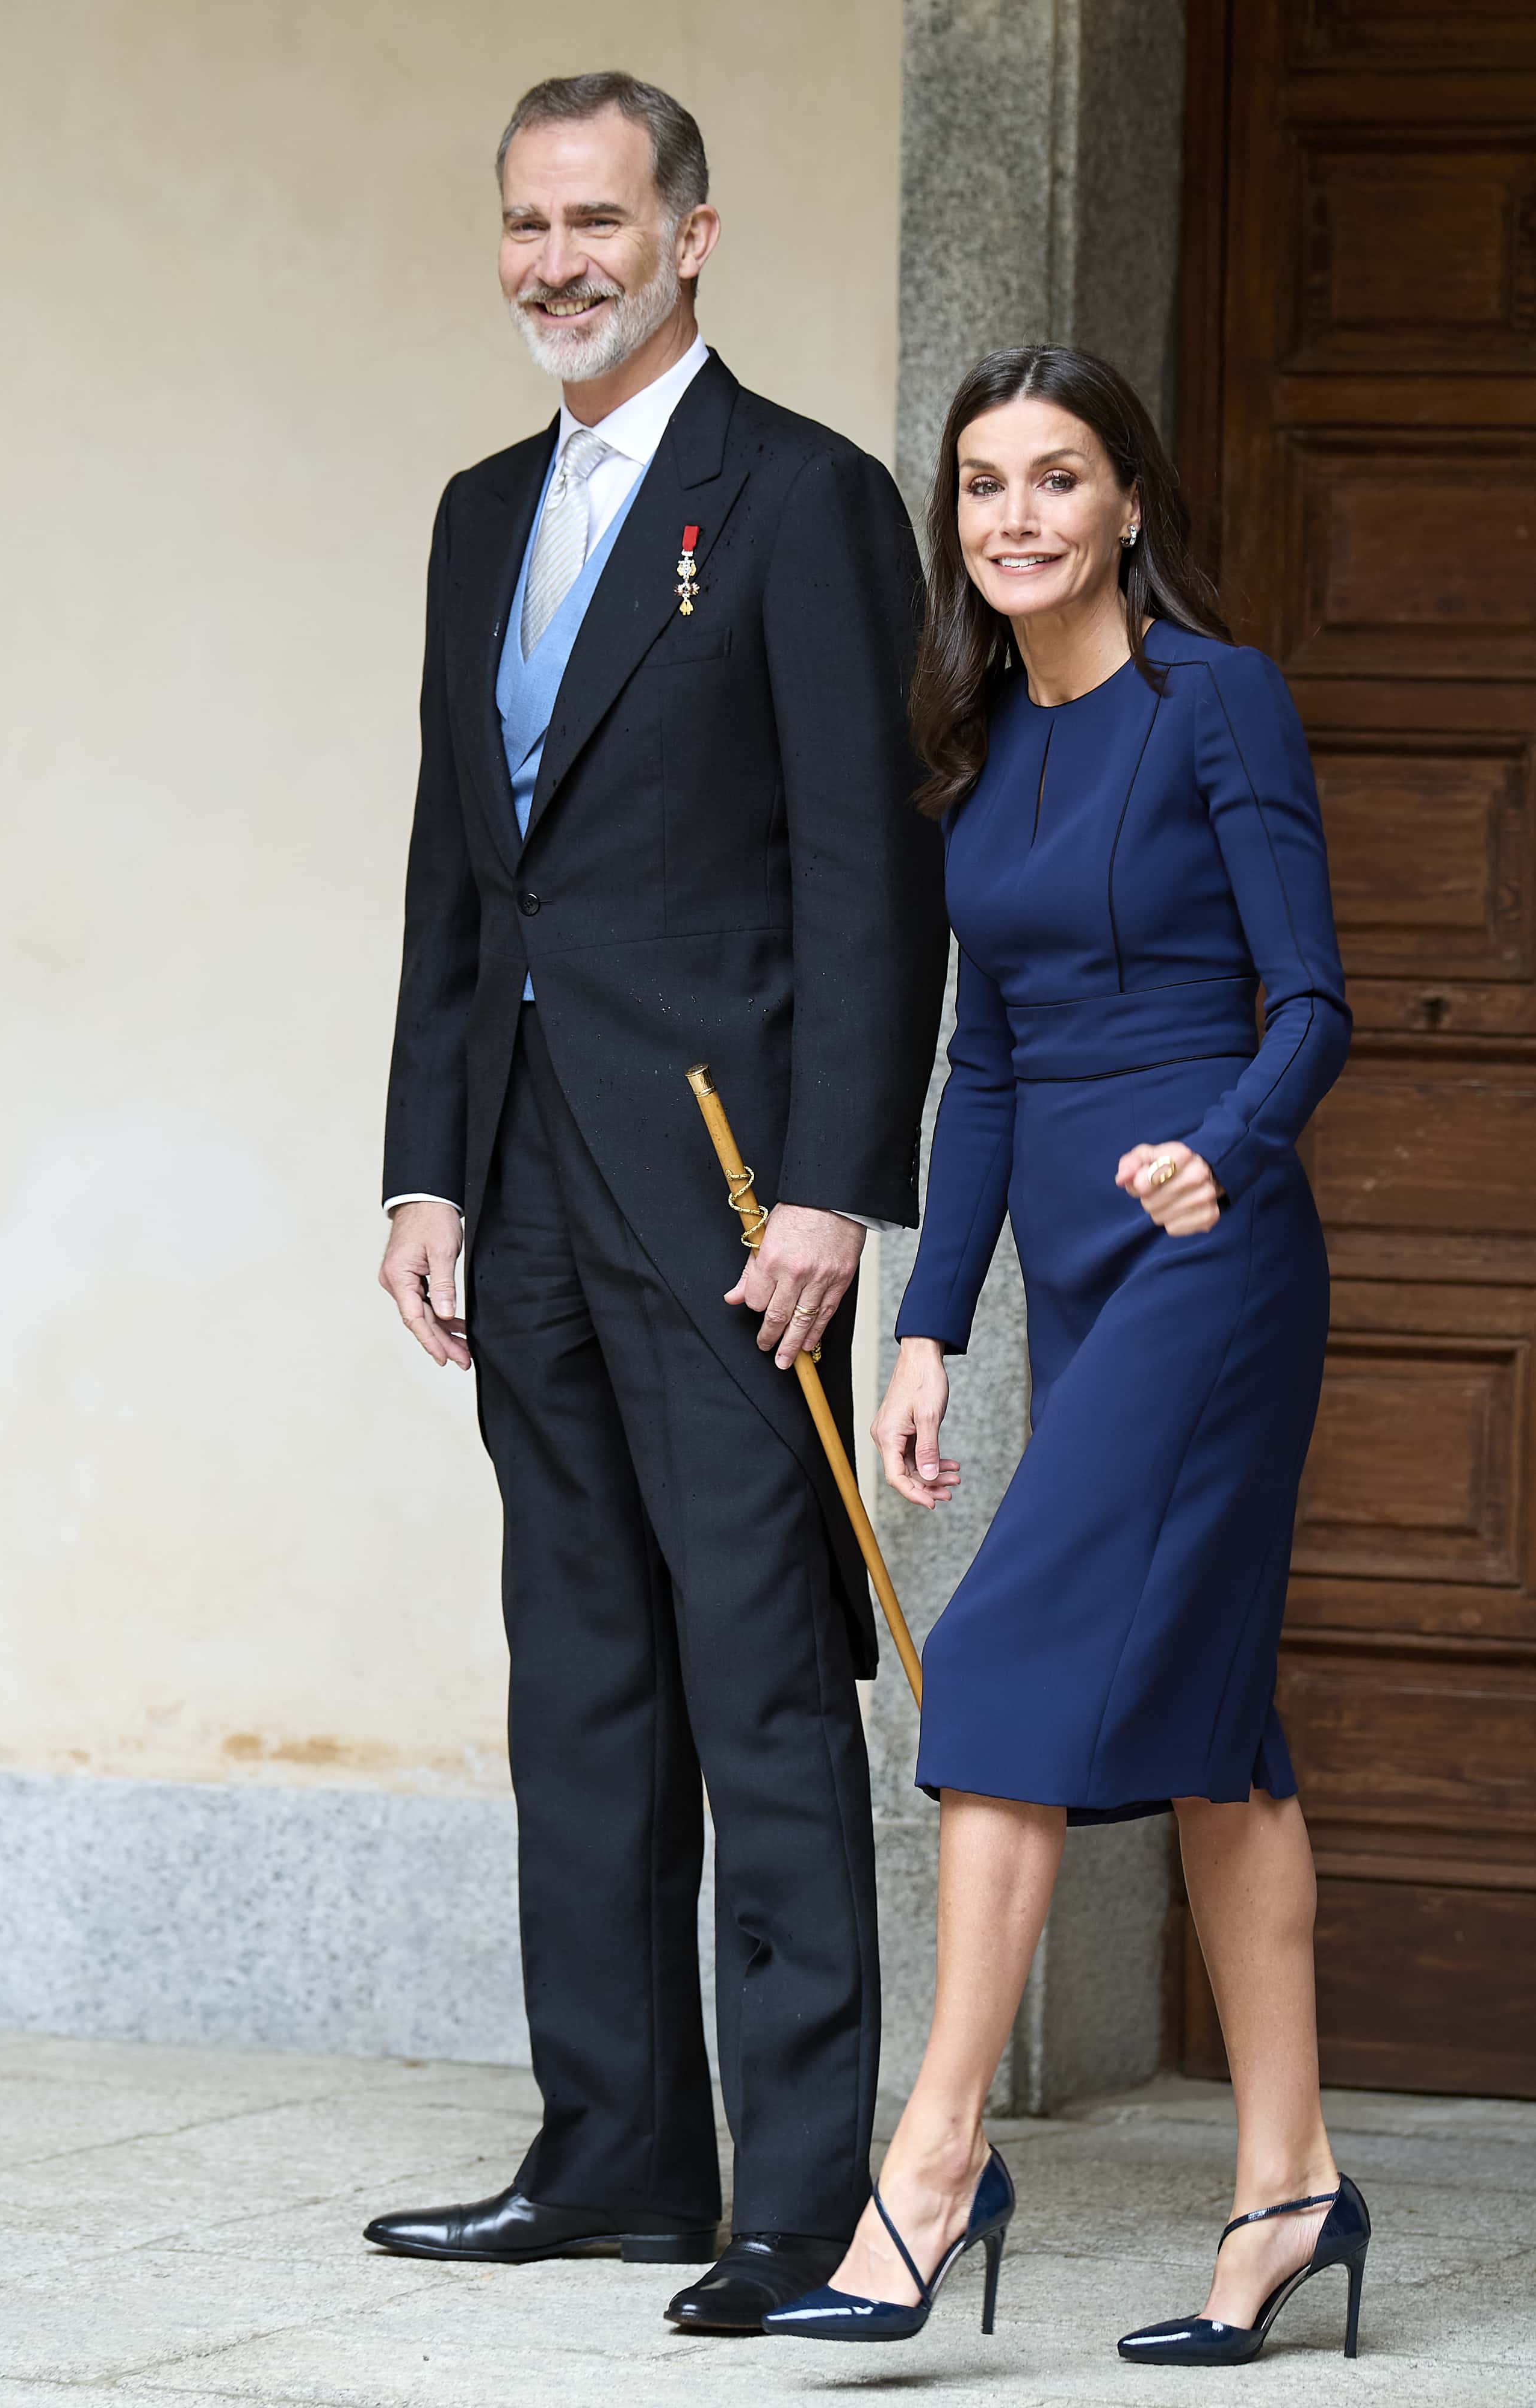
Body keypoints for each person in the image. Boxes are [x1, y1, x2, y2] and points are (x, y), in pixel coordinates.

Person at [364, 72, 948, 2336]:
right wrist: (422, 1161)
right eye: (527, 223)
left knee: (758, 1687)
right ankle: (612, 2152)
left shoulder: (800, 501)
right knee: (582, 1680)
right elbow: (458, 870)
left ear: (690, 236)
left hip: (725, 1196)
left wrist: (833, 1194)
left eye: (596, 220)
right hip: (517, 1181)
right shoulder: (471, 513)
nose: (556, 262)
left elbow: (869, 872)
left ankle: (796, 2198)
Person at [765, 346, 1372, 2367]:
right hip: (1078, 1271)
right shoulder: (980, 741)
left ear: (1125, 506)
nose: (1013, 517)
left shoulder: (1216, 700)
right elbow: (989, 1060)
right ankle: (1289, 2188)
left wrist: (1224, 1149)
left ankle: (933, 2164)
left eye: (1054, 478)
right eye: (980, 484)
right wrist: (928, 1323)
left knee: (1006, 1655)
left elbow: (1310, 999)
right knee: (1219, 1741)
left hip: (1211, 1254)